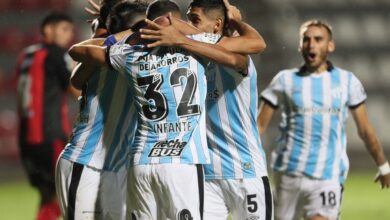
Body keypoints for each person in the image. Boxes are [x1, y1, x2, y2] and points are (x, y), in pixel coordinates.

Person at [67, 1, 250, 219]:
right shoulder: (196, 45)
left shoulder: (129, 55)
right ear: (176, 21)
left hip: (142, 160)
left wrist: (121, 33)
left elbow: (77, 52)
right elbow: (251, 48)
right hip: (181, 161)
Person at [140, 0, 272, 219]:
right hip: (207, 174)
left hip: (245, 171)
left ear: (217, 24)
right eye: (188, 18)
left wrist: (237, 22)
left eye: (195, 19)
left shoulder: (237, 57)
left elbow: (257, 43)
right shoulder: (188, 58)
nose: (188, 24)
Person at [257, 20, 390, 220]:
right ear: (300, 45)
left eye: (318, 39)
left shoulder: (347, 81)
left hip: (328, 175)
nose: (311, 45)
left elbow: (364, 130)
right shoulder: (284, 80)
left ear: (330, 45)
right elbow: (259, 125)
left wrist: (383, 166)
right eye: (306, 39)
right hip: (287, 174)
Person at [55, 1, 148, 220]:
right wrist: (115, 22)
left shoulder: (125, 52)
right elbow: (77, 70)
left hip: (118, 167)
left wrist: (111, 17)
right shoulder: (109, 53)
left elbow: (76, 80)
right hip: (86, 161)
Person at [15, 12, 76, 220]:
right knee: (70, 194)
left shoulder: (26, 54)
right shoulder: (56, 53)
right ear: (48, 29)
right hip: (50, 135)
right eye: (64, 29)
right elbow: (75, 91)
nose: (69, 35)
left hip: (26, 139)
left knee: (47, 195)